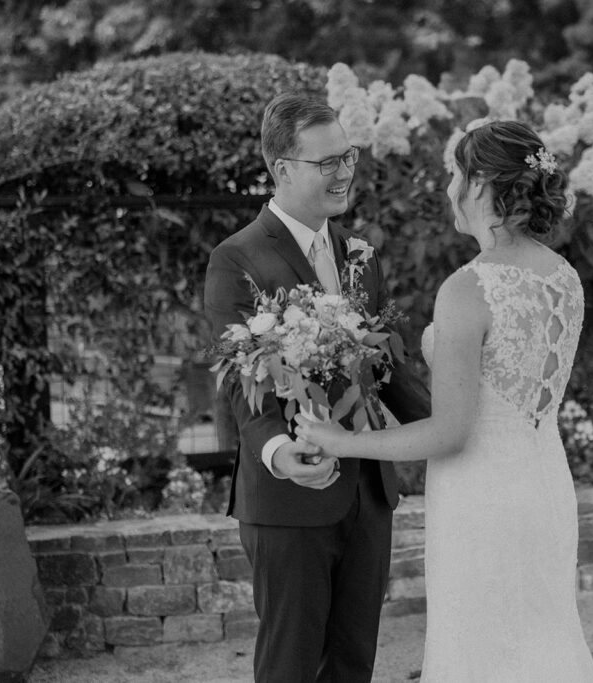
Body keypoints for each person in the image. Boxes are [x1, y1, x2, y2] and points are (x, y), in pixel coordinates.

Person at [297, 120, 593, 682]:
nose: (447, 189)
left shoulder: (470, 287)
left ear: (483, 183)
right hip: (545, 484)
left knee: (482, 652)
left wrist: (344, 441)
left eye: (454, 174)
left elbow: (450, 432)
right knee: (543, 641)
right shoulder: (563, 277)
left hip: (481, 495)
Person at [203, 93, 431, 682]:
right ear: (282, 168)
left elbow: (388, 371)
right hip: (288, 498)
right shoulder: (237, 259)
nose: (344, 172)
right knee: (291, 666)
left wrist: (454, 428)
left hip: (369, 494)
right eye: (326, 161)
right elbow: (240, 383)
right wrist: (280, 453)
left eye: (347, 156)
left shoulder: (359, 254)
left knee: (353, 663)